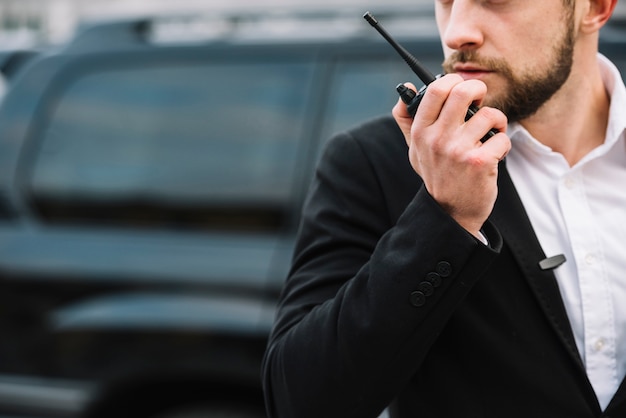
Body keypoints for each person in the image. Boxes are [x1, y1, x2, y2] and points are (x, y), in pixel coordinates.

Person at [262, 0, 625, 416]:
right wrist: (444, 216)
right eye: (446, 2)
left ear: (595, 8)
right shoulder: (374, 161)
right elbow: (297, 402)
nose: (456, 33)